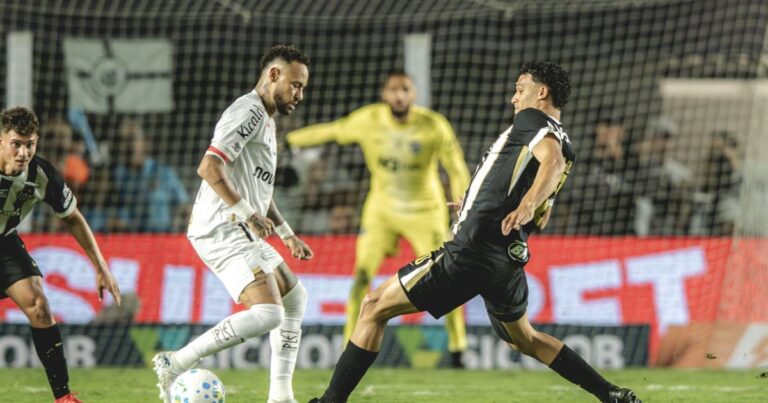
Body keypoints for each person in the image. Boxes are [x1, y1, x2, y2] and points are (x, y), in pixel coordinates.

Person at [309, 62, 641, 403]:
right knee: (524, 339)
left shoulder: (533, 120)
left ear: (541, 92)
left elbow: (549, 165)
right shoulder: (567, 145)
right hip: (506, 259)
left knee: (373, 306)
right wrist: (478, 204)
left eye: (520, 89)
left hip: (473, 250)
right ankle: (610, 393)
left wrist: (525, 205)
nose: (514, 98)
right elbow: (541, 217)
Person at [152, 44, 314, 403]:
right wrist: (248, 214)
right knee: (269, 313)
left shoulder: (267, 121)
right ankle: (176, 362)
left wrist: (287, 235)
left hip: (239, 224)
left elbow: (260, 192)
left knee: (295, 298)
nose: (300, 95)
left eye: (303, 87)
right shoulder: (248, 112)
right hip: (221, 226)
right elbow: (209, 167)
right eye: (296, 85)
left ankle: (281, 397)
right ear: (273, 75)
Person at [287, 70, 471, 367]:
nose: (399, 95)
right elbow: (333, 130)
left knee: (445, 278)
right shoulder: (368, 120)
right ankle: (350, 347)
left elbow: (456, 165)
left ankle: (457, 349)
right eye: (394, 90)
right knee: (361, 276)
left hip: (425, 212)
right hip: (382, 211)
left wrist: (464, 201)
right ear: (385, 94)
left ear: (413, 95)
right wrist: (290, 140)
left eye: (405, 89)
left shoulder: (433, 125)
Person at [0, 106, 122, 403]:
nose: (23, 153)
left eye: (30, 144)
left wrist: (100, 266)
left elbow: (73, 218)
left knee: (39, 305)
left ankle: (64, 397)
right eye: (16, 144)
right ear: (1, 140)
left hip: (4, 242)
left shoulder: (42, 174)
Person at [110, 119, 190, 233]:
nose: (128, 145)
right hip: (130, 238)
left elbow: (184, 205)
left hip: (162, 237)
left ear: (145, 143)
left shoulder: (164, 173)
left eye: (132, 139)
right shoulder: (117, 176)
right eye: (123, 140)